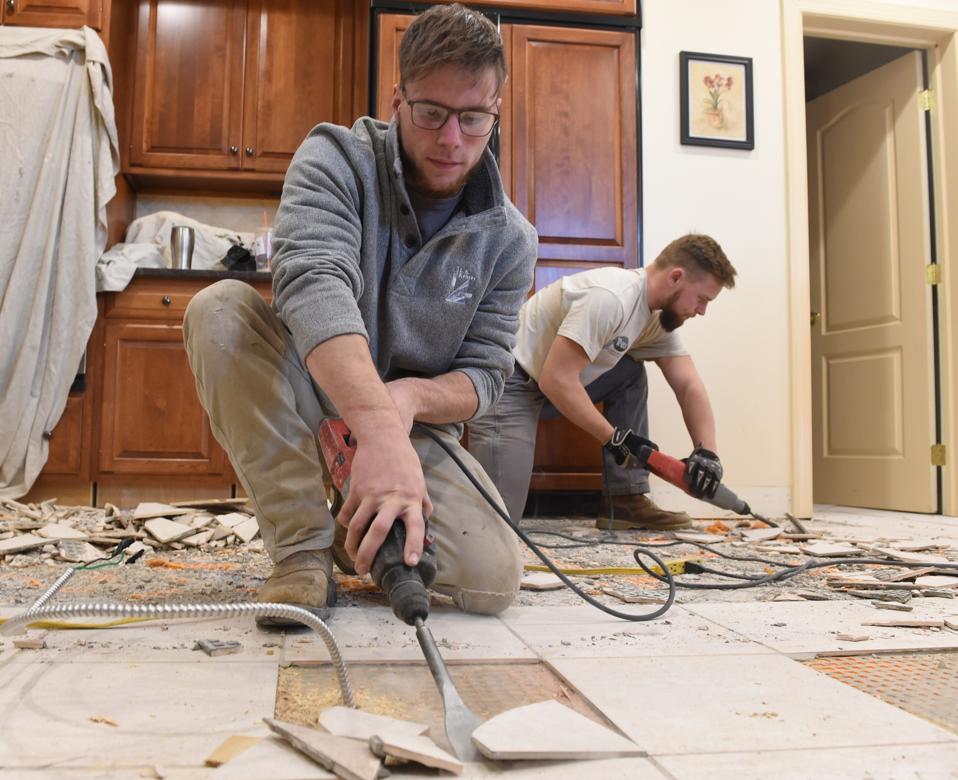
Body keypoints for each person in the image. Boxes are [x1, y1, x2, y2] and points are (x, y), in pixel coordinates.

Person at [182, 3, 538, 625]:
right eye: (430, 114)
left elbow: (485, 374)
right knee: (219, 311)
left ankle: (359, 533)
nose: (451, 139)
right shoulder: (336, 159)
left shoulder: (511, 239)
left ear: (496, 113)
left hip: (414, 430)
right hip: (314, 389)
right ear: (397, 98)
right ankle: (302, 548)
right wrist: (375, 424)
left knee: (491, 581)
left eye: (474, 118)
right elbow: (312, 284)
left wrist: (406, 405)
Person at [467, 234, 737, 531]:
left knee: (629, 372)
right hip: (509, 384)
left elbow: (688, 385)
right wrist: (615, 438)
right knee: (495, 530)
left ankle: (626, 500)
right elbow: (556, 380)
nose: (702, 310)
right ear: (676, 277)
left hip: (548, 386)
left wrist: (708, 453)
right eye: (702, 299)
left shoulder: (657, 319)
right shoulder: (612, 298)